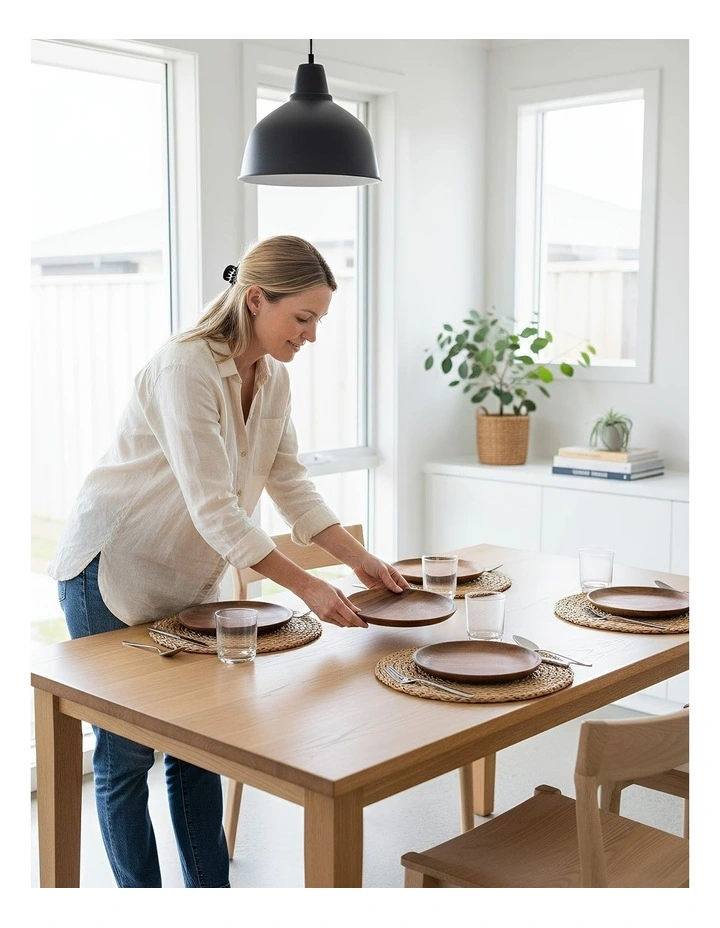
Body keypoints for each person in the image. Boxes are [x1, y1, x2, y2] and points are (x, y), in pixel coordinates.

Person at [48, 234, 408, 888]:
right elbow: (214, 507)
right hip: (112, 571)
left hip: (189, 578)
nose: (312, 335)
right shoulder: (182, 368)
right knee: (126, 757)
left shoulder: (273, 378)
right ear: (255, 299)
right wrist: (306, 587)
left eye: (319, 320)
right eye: (303, 317)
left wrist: (359, 560)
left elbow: (289, 481)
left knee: (199, 747)